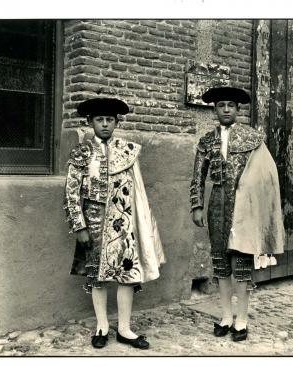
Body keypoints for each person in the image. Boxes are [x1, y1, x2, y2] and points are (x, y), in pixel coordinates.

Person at [64, 97, 165, 350]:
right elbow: (71, 192)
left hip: (124, 222)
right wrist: (80, 226)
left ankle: (124, 328)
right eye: (100, 120)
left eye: (110, 120)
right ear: (90, 122)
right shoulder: (82, 153)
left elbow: (138, 191)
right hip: (94, 223)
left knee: (127, 275)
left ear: (116, 122)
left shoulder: (127, 151)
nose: (105, 125)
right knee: (97, 276)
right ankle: (102, 326)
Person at [190, 86, 285, 342]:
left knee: (241, 266)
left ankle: (241, 319)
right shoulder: (206, 141)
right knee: (221, 264)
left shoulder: (252, 139)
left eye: (231, 105)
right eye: (221, 105)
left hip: (245, 208)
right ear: (215, 109)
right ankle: (225, 316)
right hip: (217, 207)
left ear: (238, 109)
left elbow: (266, 177)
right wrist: (197, 205)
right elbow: (197, 176)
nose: (226, 109)